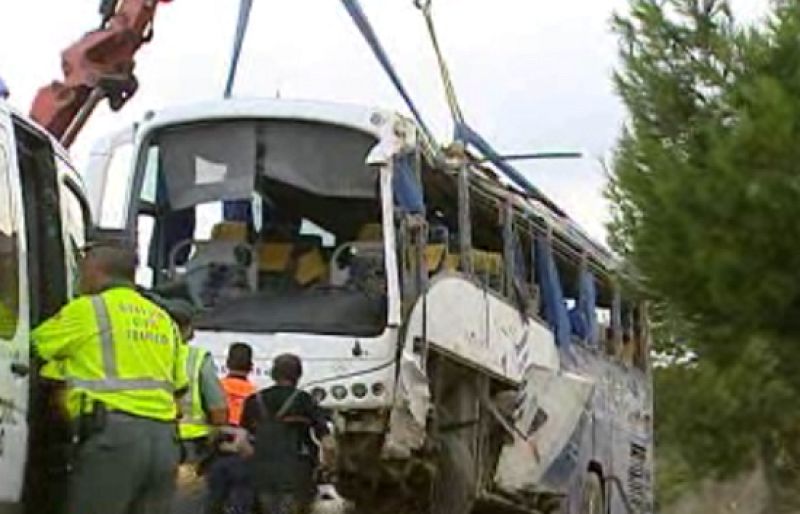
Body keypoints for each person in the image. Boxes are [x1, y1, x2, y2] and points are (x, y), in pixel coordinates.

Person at [31, 237, 188, 514]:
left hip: (114, 440)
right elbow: (179, 387)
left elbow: (30, 346)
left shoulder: (88, 310)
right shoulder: (162, 319)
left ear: (95, 269)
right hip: (164, 444)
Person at [241, 353, 336, 514]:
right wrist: (329, 468)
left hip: (262, 472)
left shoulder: (254, 401)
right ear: (298, 375)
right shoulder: (305, 400)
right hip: (296, 472)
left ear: (273, 374)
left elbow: (242, 440)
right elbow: (328, 442)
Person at [205, 342, 258, 514]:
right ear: (251, 367)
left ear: (227, 363)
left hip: (216, 452)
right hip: (244, 455)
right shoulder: (256, 395)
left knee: (212, 503)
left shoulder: (216, 388)